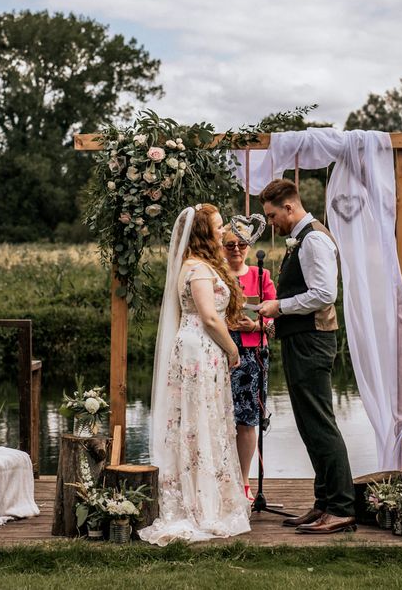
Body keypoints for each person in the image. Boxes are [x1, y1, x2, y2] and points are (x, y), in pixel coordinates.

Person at [139, 204, 251, 546]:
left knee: (203, 418)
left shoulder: (198, 265)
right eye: (218, 227)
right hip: (198, 349)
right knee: (197, 420)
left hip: (200, 348)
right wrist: (233, 349)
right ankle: (199, 504)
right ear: (203, 233)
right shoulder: (198, 269)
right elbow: (209, 317)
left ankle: (208, 495)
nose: (223, 232)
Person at [257, 179, 356, 534]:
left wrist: (279, 307)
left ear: (289, 207)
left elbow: (324, 294)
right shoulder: (301, 238)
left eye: (271, 216)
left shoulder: (313, 238)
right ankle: (323, 503)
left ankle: (342, 508)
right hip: (302, 340)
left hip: (314, 341)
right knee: (309, 425)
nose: (271, 223)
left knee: (320, 424)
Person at [223, 225, 277, 501]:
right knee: (219, 419)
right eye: (230, 244)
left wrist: (256, 325)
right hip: (219, 351)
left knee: (247, 420)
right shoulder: (215, 274)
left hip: (252, 355)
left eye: (242, 244)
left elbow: (274, 318)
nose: (236, 249)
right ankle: (221, 480)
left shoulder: (261, 275)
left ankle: (243, 481)